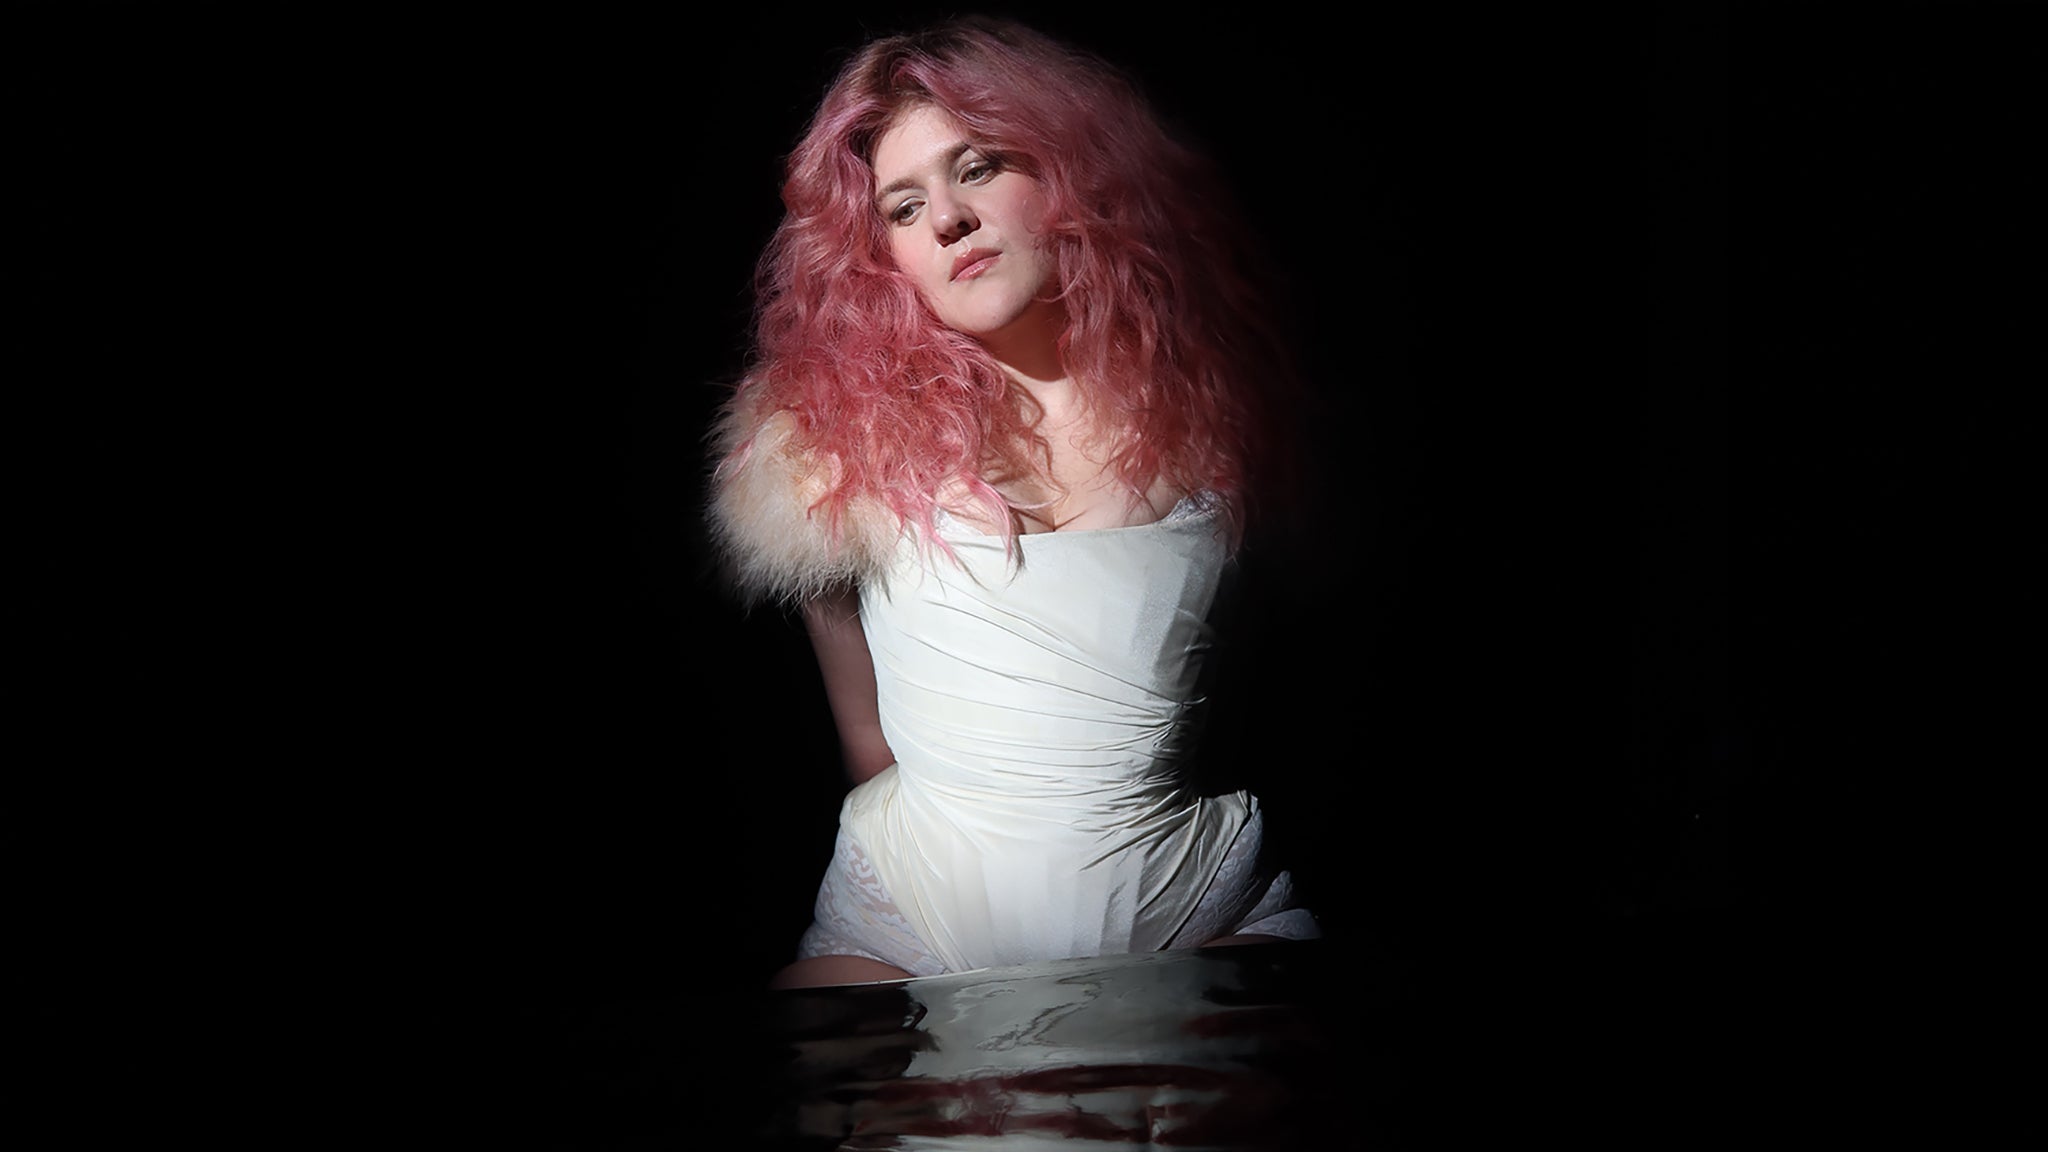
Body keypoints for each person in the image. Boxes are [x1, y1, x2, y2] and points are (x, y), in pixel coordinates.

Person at [705, 16, 1321, 989]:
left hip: (1191, 915)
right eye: (904, 207)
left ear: (1070, 175)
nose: (946, 219)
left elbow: (1277, 698)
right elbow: (869, 743)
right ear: (881, 254)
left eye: (978, 167)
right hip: (907, 925)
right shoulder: (826, 449)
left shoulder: (1221, 421)